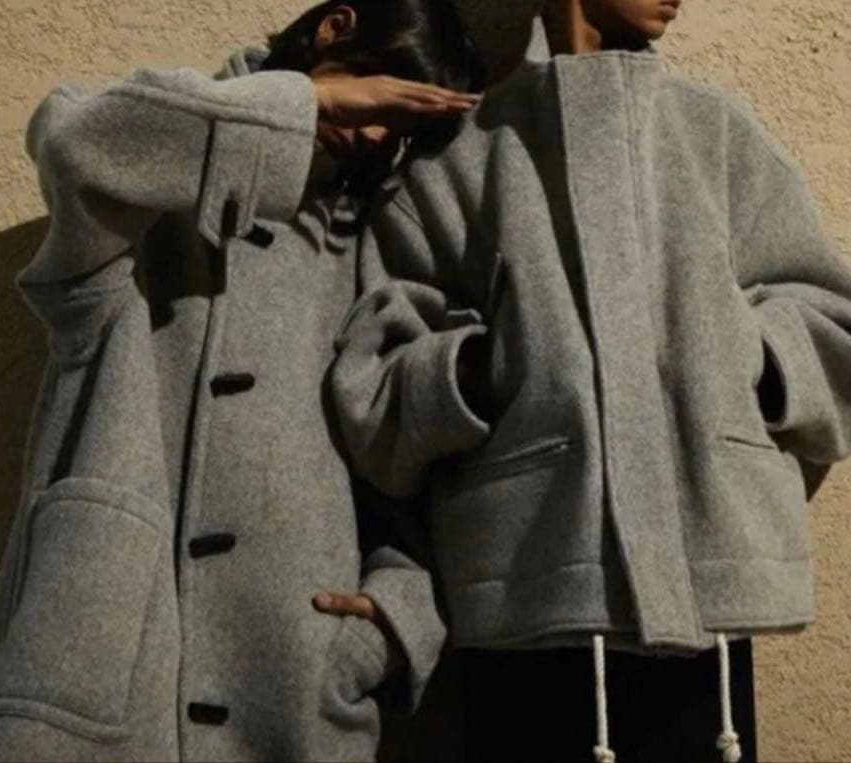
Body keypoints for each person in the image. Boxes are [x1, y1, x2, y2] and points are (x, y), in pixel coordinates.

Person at [0, 2, 485, 761]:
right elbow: (69, 142)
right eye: (375, 91)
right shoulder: (153, 173)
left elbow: (407, 463)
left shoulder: (367, 241)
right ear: (333, 27)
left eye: (394, 127)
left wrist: (390, 625)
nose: (372, 133)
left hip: (290, 679)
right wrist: (306, 103)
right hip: (106, 640)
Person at [329, 1, 851, 761]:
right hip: (525, 614)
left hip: (709, 623)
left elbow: (834, 324)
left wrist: (742, 354)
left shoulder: (715, 133)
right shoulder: (460, 159)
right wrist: (484, 369)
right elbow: (372, 389)